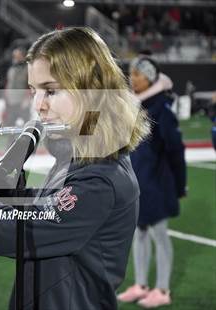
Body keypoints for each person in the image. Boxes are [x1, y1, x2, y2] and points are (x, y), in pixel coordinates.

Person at [0, 27, 150, 309]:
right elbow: (36, 207)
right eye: (34, 91)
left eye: (50, 90)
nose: (38, 105)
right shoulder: (78, 158)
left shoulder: (100, 177)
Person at [118, 56, 187, 308]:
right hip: (139, 184)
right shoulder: (136, 106)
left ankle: (163, 289)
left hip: (158, 184)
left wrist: (180, 186)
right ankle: (141, 285)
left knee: (160, 235)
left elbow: (176, 152)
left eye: (137, 74)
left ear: (149, 77)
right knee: (140, 234)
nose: (132, 78)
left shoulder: (162, 110)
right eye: (131, 74)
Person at [4, 47, 31, 146]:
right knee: (11, 125)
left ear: (23, 56)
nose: (15, 57)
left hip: (23, 101)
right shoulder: (11, 69)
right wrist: (6, 98)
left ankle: (27, 146)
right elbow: (8, 84)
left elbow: (30, 84)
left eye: (17, 55)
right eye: (14, 55)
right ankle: (9, 146)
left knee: (26, 125)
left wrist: (27, 99)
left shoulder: (28, 68)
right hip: (11, 101)